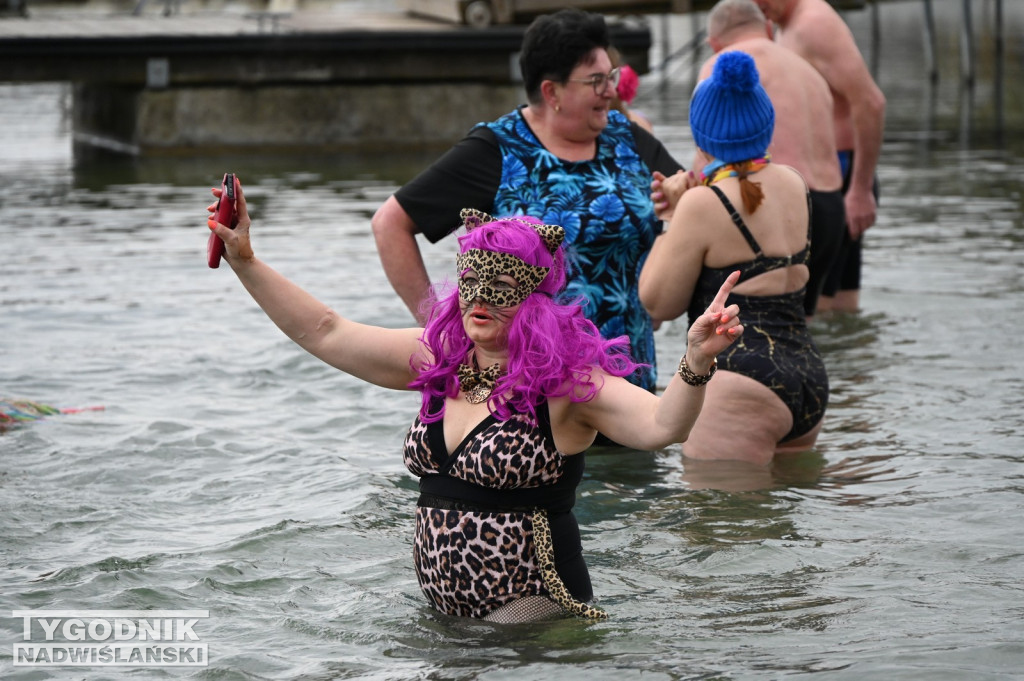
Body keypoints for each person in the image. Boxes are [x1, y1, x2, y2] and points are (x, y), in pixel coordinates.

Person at [207, 190, 743, 622]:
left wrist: (694, 360)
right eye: (471, 281)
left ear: (534, 299)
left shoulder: (564, 386)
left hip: (533, 612)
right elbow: (327, 332)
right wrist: (246, 261)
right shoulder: (438, 359)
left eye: (501, 285)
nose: (481, 297)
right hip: (444, 616)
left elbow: (660, 426)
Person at [371, 8, 685, 392]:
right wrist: (445, 331)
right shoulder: (498, 150)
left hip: (630, 379)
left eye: (612, 77)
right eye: (596, 80)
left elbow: (694, 205)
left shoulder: (626, 139)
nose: (610, 90)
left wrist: (678, 205)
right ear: (551, 91)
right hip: (532, 390)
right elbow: (390, 225)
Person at [639, 52, 827, 466]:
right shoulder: (795, 183)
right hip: (808, 375)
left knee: (715, 528)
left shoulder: (703, 204)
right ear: (765, 125)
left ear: (702, 136)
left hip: (738, 381)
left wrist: (672, 216)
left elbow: (657, 303)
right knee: (784, 526)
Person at [661, 0, 845, 318]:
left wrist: (682, 210)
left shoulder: (722, 70)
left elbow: (708, 149)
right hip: (826, 205)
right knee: (798, 326)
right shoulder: (804, 66)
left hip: (766, 208)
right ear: (768, 28)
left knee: (742, 321)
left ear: (713, 42)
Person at [753, 0, 886, 313]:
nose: (757, 6)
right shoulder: (785, 24)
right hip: (829, 177)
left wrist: (860, 189)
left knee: (815, 312)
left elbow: (871, 103)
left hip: (841, 177)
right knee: (841, 311)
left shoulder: (814, 22)